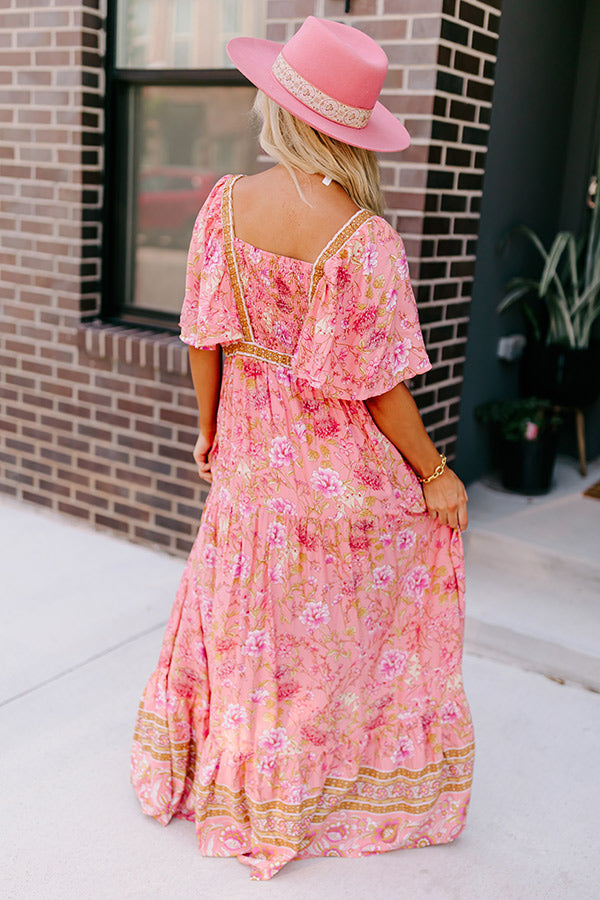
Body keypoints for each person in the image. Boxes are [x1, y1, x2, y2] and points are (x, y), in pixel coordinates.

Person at [130, 16, 474, 882]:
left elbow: (204, 338)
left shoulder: (223, 204)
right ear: (349, 130)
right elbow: (381, 390)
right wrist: (437, 475)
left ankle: (238, 780)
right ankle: (316, 783)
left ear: (280, 110)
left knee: (247, 626)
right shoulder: (362, 239)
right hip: (329, 476)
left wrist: (210, 431)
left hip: (249, 465)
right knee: (329, 638)